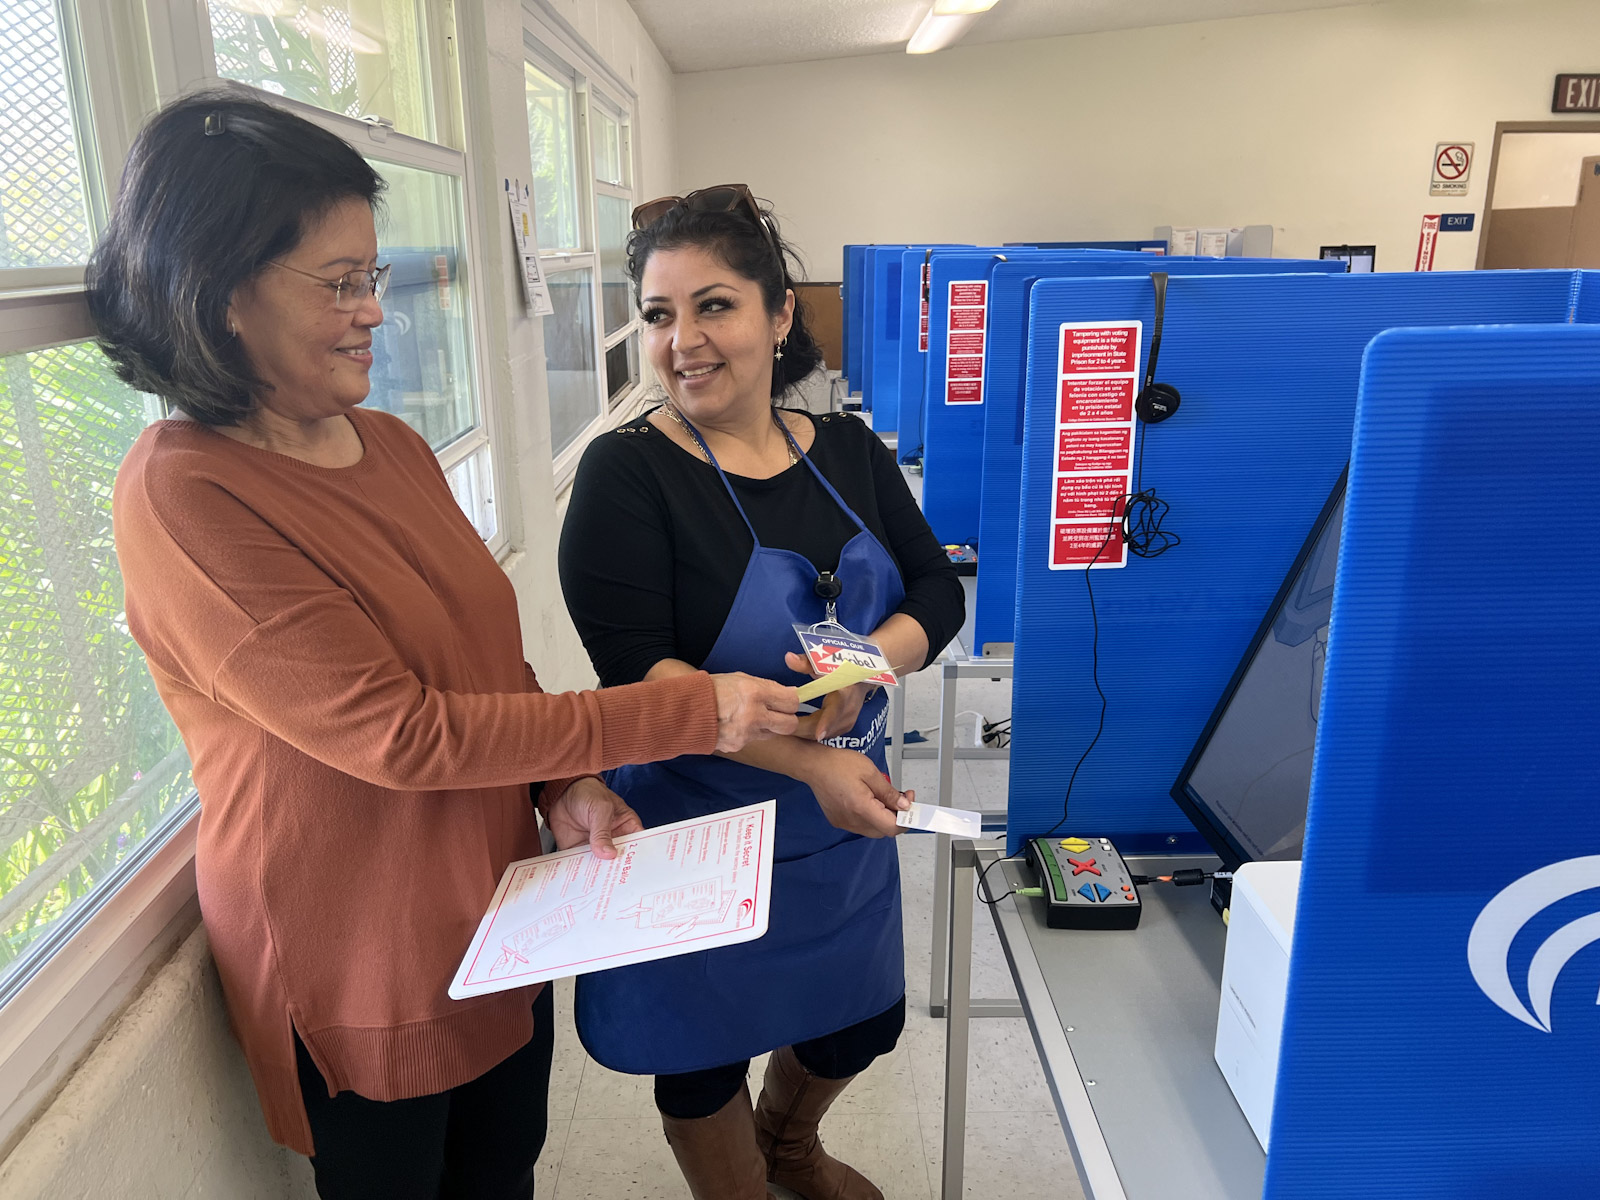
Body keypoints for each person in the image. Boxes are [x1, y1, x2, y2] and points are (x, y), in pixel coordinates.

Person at [89, 96, 800, 1200]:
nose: (375, 312)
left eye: (375, 277)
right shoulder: (185, 493)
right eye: (338, 283)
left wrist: (564, 781)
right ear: (217, 292)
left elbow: (484, 666)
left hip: (495, 905)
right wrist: (692, 709)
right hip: (358, 947)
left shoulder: (389, 444)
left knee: (502, 1170)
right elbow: (400, 732)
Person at [558, 185, 966, 1200]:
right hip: (689, 813)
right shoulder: (627, 475)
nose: (682, 340)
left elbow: (931, 591)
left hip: (835, 820)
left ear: (780, 316)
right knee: (698, 1057)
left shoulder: (849, 454)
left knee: (857, 1022)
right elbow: (639, 673)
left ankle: (789, 1146)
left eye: (714, 306)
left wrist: (864, 665)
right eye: (658, 315)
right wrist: (809, 761)